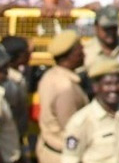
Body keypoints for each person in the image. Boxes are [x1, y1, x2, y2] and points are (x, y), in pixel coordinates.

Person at [60, 59, 119, 163]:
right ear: (96, 87)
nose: (113, 88)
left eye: (117, 83)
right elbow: (70, 159)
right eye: (107, 84)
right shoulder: (81, 121)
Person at [36, 31, 88, 163]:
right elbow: (70, 126)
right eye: (80, 50)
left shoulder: (50, 76)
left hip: (49, 149)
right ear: (71, 55)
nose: (84, 53)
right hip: (62, 155)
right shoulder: (66, 87)